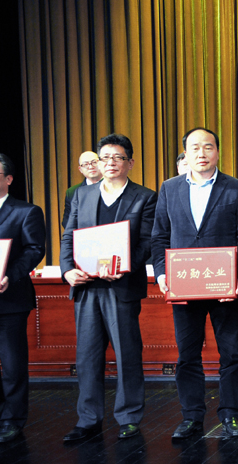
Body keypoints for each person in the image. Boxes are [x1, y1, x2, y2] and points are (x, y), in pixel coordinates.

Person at [151, 127, 238, 440]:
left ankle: (230, 414)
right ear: (186, 153)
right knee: (187, 355)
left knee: (231, 353)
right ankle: (192, 416)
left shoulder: (236, 188)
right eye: (195, 147)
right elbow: (159, 236)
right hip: (184, 287)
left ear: (217, 151)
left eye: (208, 147)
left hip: (225, 288)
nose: (202, 153)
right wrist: (161, 274)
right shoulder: (169, 188)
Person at [60, 133, 157, 442]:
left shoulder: (145, 197)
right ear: (98, 162)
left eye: (118, 157)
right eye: (105, 158)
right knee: (87, 357)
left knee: (127, 354)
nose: (110, 163)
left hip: (121, 286)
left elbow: (147, 242)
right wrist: (67, 270)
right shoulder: (82, 195)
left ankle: (128, 418)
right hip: (87, 287)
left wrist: (124, 266)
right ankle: (88, 419)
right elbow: (69, 235)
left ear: (130, 162)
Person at [0, 153, 45, 443]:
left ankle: (12, 419)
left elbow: (34, 249)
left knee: (12, 363)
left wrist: (9, 276)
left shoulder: (26, 211)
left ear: (8, 179)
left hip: (10, 299)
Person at [63, 151, 102, 228]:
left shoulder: (113, 185)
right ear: (80, 169)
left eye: (94, 162)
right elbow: (67, 221)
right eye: (85, 164)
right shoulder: (72, 192)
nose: (90, 167)